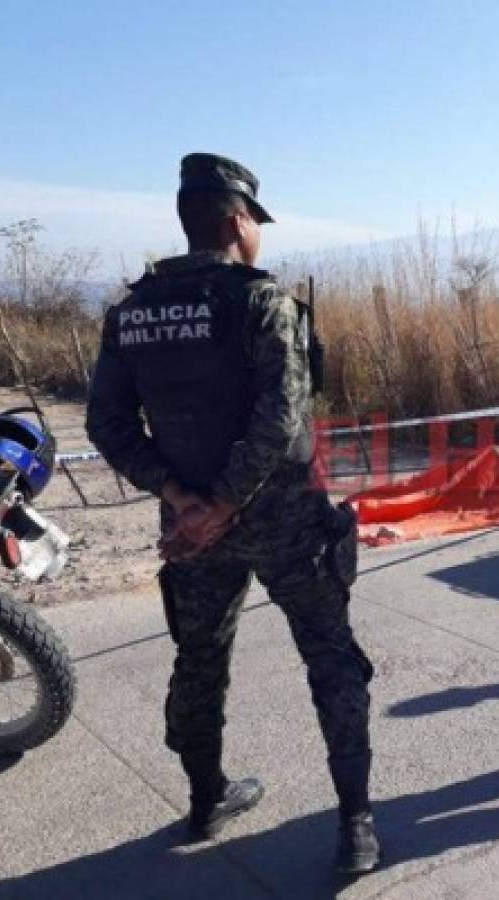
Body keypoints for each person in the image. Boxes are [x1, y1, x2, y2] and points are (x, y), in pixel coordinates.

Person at [85, 153, 379, 877]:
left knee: (199, 659)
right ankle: (356, 823)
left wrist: (182, 500)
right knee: (330, 657)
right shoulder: (259, 302)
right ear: (236, 221)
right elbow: (281, 417)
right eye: (255, 223)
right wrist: (224, 502)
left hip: (191, 531)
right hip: (284, 521)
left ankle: (206, 797)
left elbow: (107, 425)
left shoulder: (132, 311)